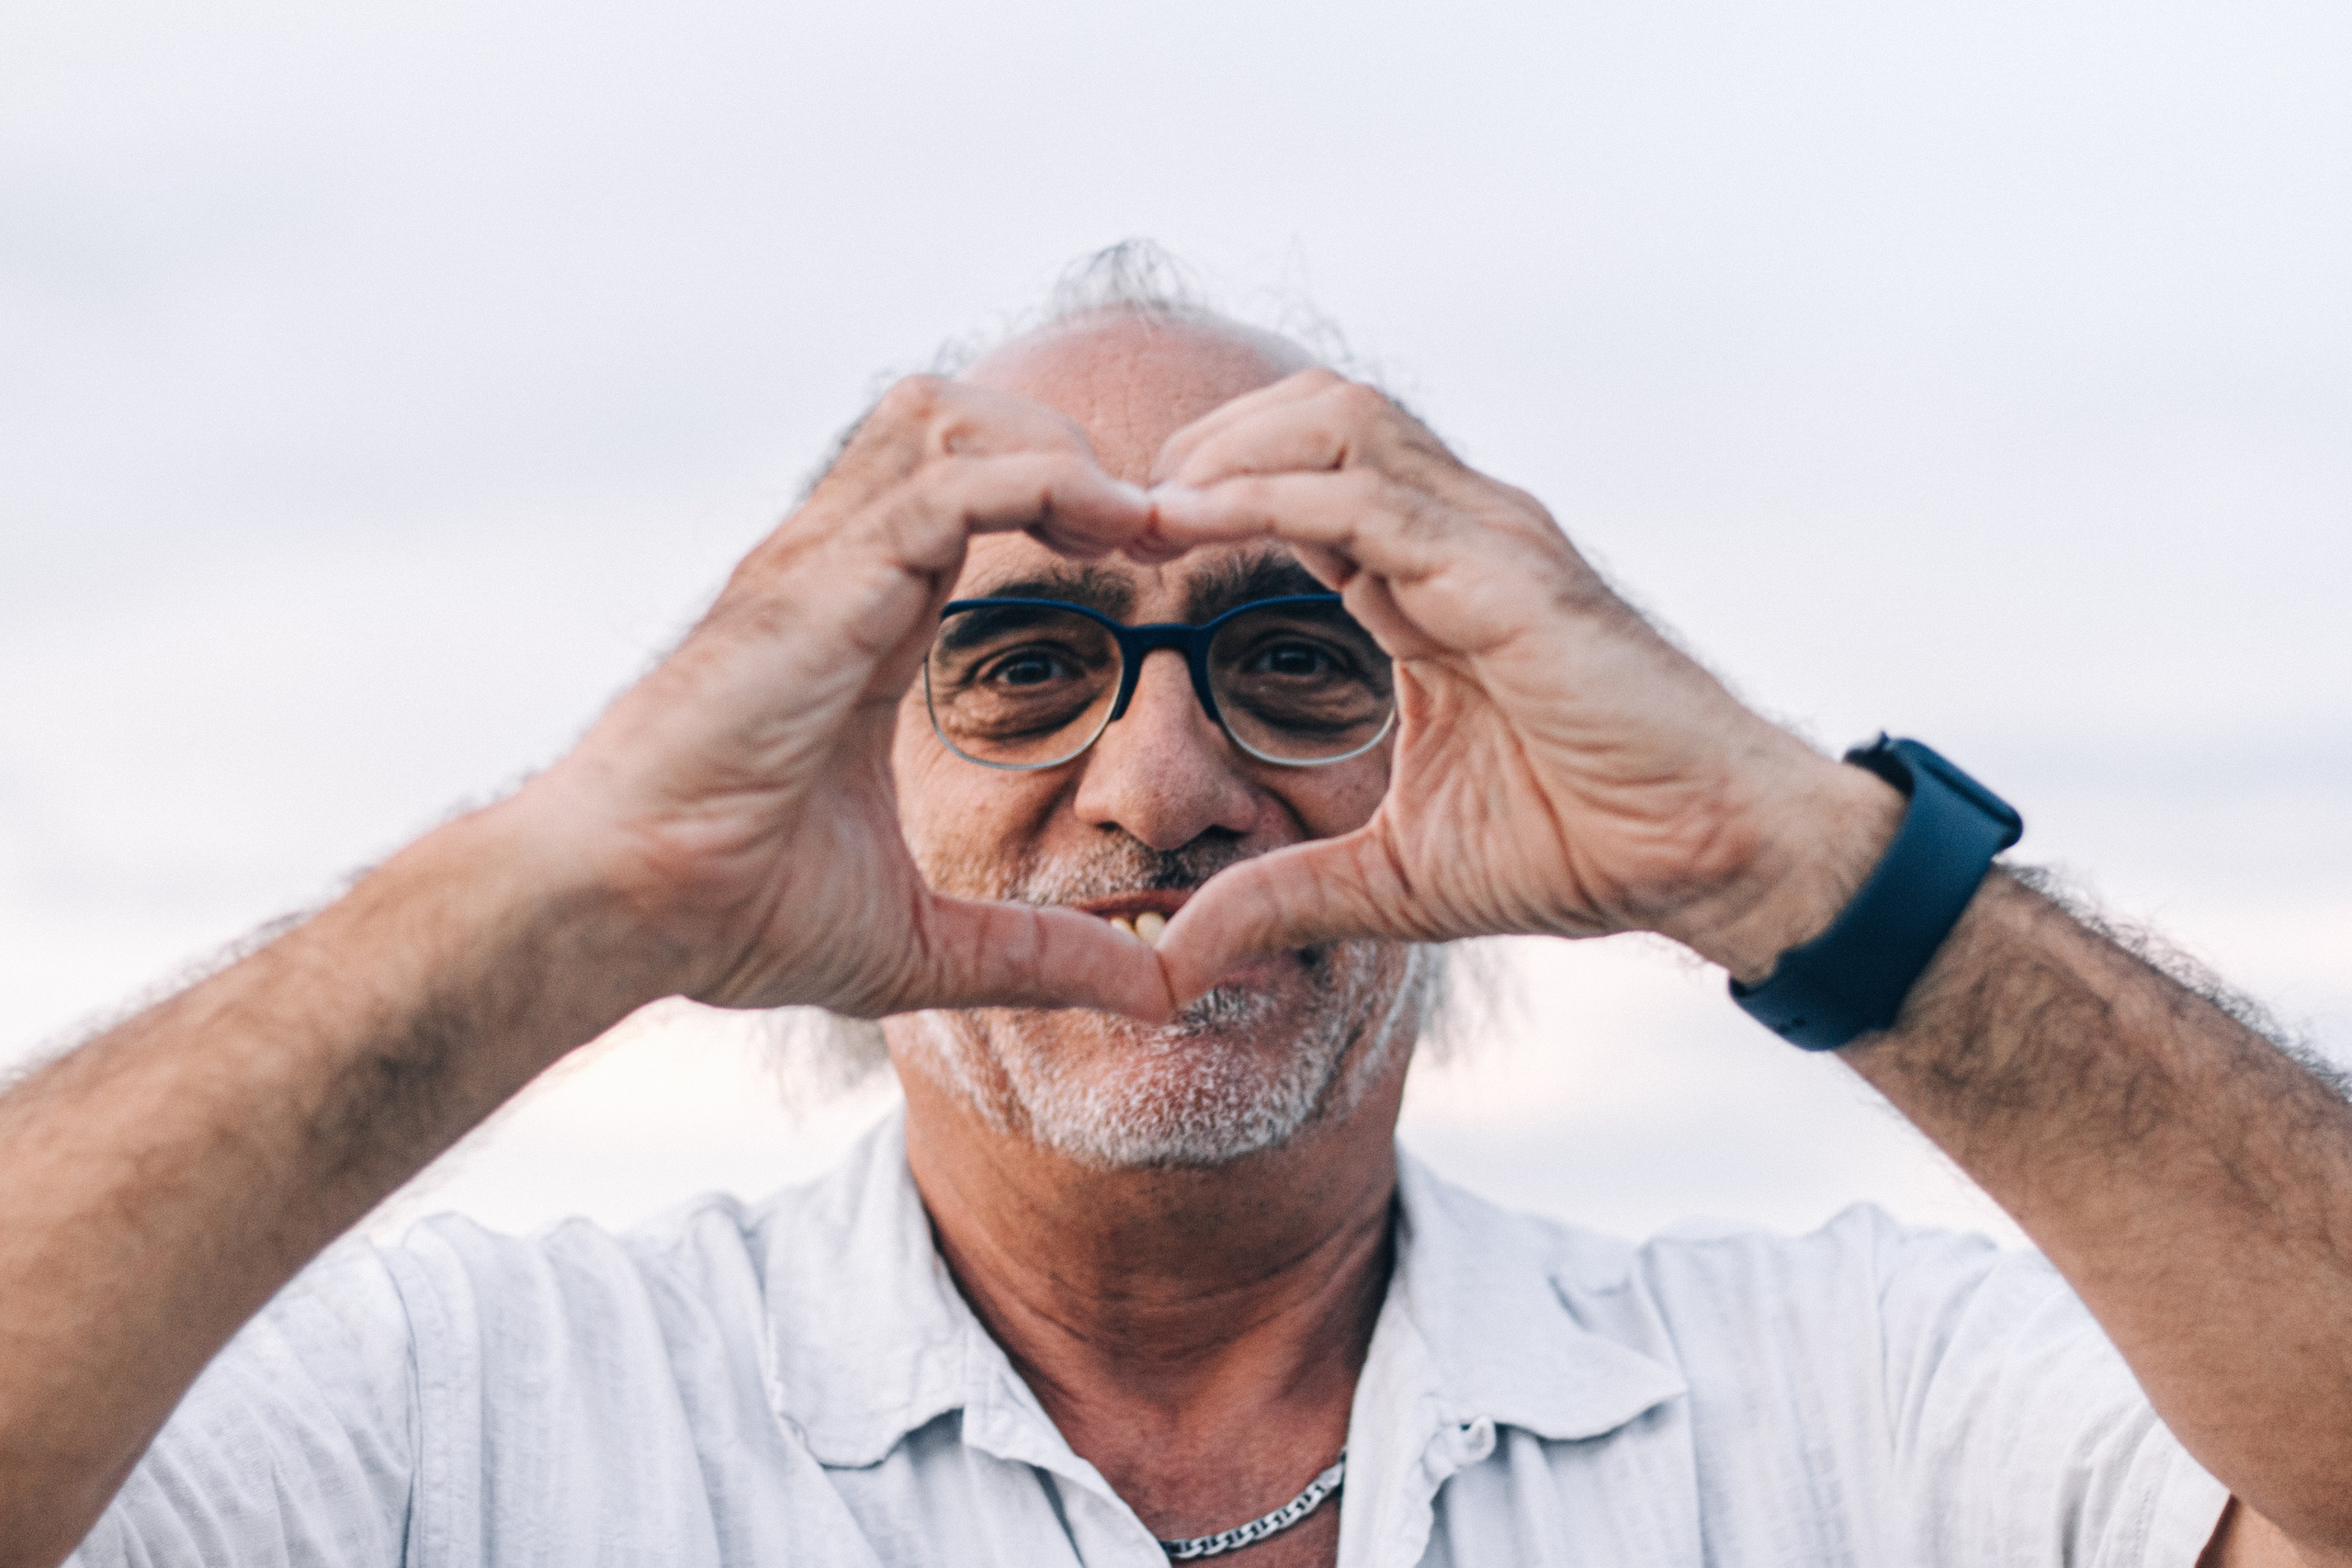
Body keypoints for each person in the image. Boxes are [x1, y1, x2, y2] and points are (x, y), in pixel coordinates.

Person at [2, 247, 2346, 1568]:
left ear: (1468, 734)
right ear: (839, 760)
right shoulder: (457, 1420)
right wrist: (570, 883)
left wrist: (1791, 852)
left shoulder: (1857, 1405)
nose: (1161, 781)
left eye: (1297, 659)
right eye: (1018, 665)